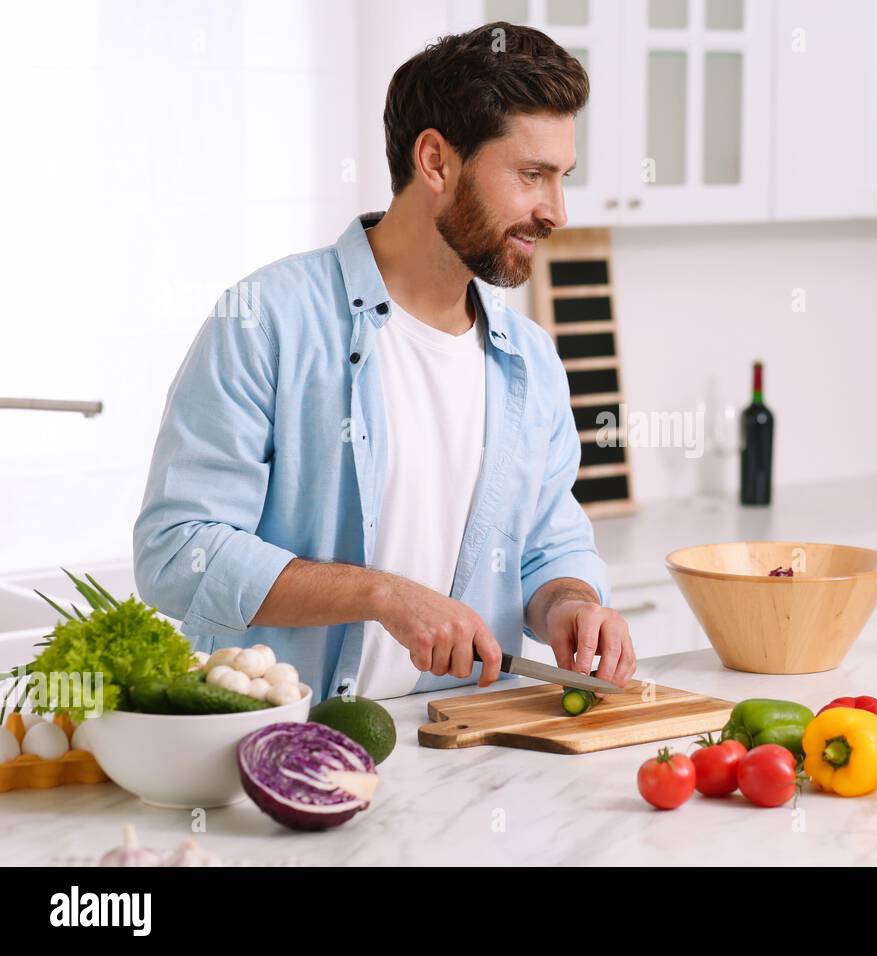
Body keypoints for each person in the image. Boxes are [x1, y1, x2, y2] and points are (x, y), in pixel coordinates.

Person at [133, 22, 635, 701]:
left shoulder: (531, 362)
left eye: (561, 177)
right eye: (531, 175)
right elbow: (176, 553)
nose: (556, 211)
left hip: (464, 755)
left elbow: (548, 546)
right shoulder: (266, 320)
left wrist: (571, 605)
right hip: (276, 755)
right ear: (435, 161)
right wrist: (380, 594)